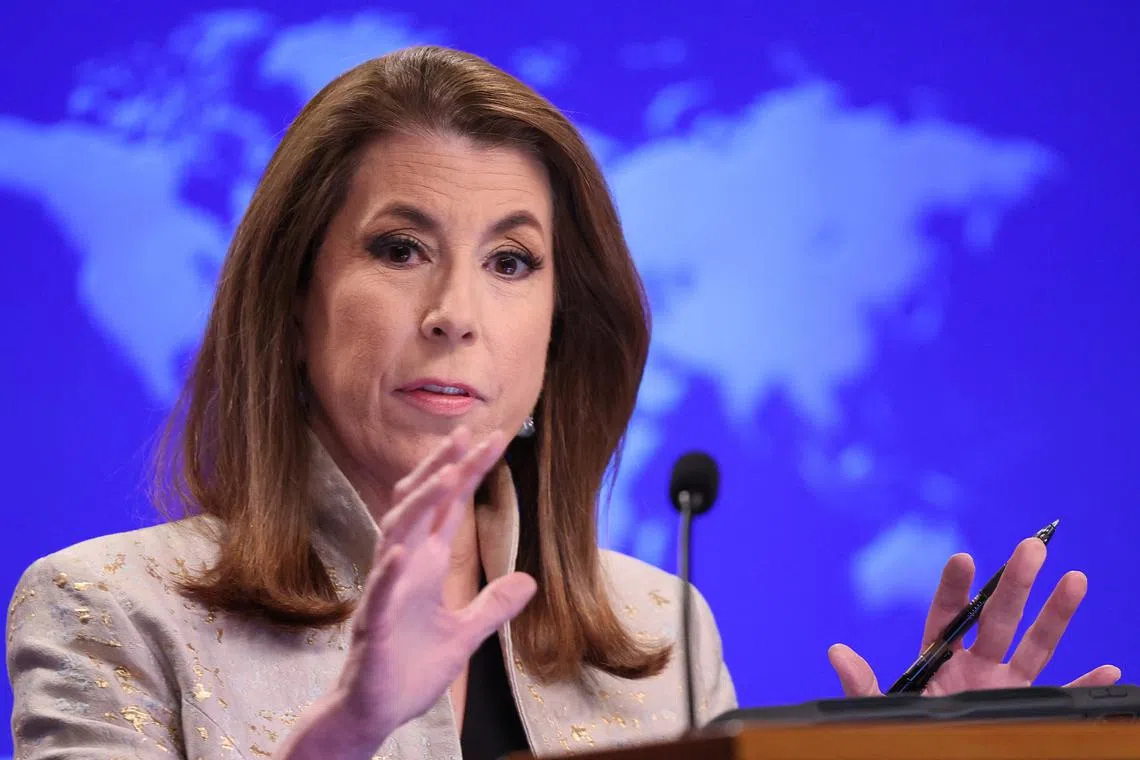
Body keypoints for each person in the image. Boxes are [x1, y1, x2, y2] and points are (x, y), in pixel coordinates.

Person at [6, 45, 1120, 760]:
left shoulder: (661, 636)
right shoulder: (107, 610)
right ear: (293, 304)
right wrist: (348, 730)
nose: (456, 311)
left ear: (558, 329)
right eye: (400, 249)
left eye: (511, 262)